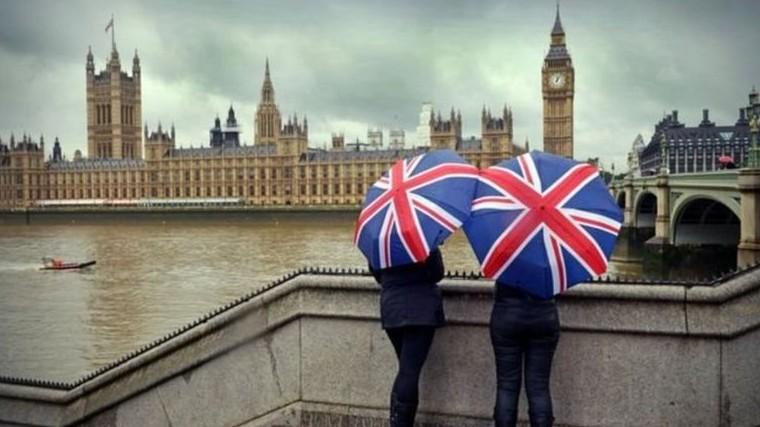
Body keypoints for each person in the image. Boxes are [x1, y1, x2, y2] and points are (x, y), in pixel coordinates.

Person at [369, 248, 445, 427]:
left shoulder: (380, 241)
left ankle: (396, 420)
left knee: (405, 370)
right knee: (409, 372)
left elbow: (378, 275)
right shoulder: (423, 241)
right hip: (421, 309)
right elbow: (437, 273)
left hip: (392, 309)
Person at [490, 283, 560, 427]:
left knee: (506, 384)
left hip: (506, 315)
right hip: (544, 316)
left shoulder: (505, 266)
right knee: (539, 386)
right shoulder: (548, 267)